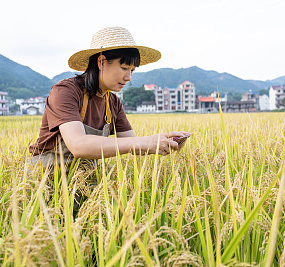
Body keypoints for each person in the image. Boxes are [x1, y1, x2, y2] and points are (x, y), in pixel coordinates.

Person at [29, 26, 188, 215]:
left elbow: (133, 144)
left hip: (85, 181)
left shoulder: (112, 102)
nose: (128, 77)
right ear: (102, 62)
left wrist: (162, 140)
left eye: (132, 70)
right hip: (49, 184)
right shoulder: (65, 92)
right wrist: (141, 142)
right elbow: (78, 145)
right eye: (124, 68)